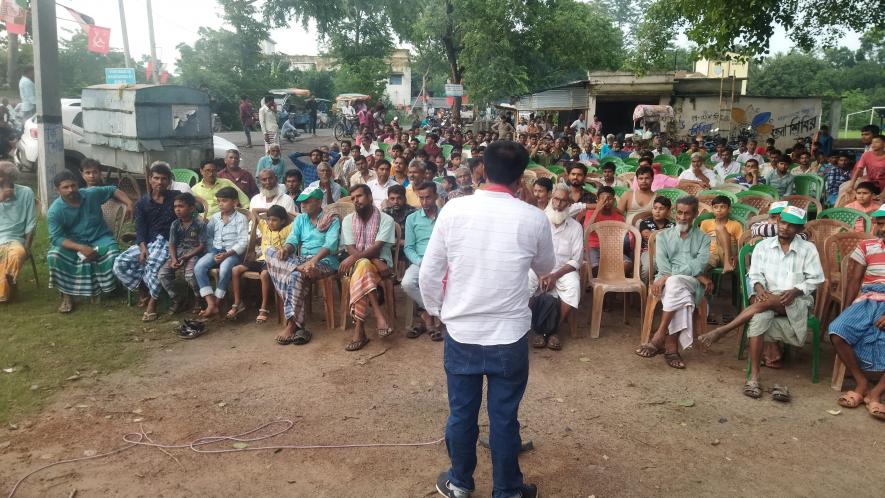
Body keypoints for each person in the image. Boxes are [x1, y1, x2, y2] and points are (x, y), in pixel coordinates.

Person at [420, 140, 552, 498]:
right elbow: (545, 268)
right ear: (522, 177)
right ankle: (507, 490)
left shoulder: (454, 210)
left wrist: (438, 312)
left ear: (482, 171)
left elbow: (429, 272)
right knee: (504, 417)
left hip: (462, 332)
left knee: (462, 414)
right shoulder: (534, 217)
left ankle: (460, 483)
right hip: (509, 336)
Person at [698, 206, 824, 399]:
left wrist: (795, 290)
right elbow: (754, 274)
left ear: (800, 229)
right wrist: (759, 289)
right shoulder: (763, 247)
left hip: (797, 300)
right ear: (778, 221)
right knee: (759, 318)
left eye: (792, 226)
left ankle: (723, 330)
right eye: (783, 223)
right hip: (768, 296)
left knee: (764, 305)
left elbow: (815, 279)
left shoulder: (808, 249)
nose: (785, 228)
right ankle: (754, 377)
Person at [634, 196, 713, 369]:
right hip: (670, 282)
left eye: (687, 214)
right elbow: (663, 266)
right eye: (680, 212)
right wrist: (694, 273)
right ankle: (671, 348)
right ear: (675, 213)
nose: (683, 217)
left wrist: (678, 275)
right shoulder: (662, 237)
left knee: (674, 281)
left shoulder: (704, 239)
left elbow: (700, 265)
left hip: (690, 283)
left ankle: (659, 336)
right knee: (676, 286)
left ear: (695, 215)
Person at [826, 206, 885, 419]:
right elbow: (854, 280)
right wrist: (848, 308)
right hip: (867, 299)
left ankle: (877, 393)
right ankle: (862, 382)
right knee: (838, 330)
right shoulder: (867, 245)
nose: (881, 227)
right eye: (879, 223)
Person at [47, 171, 133, 313]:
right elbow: (56, 238)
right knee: (54, 256)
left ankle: (110, 288)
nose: (71, 190)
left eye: (73, 185)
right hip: (73, 243)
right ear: (58, 190)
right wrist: (80, 247)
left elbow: (112, 190)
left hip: (100, 237)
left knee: (113, 254)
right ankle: (67, 295)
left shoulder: (90, 194)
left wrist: (129, 203)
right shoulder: (55, 211)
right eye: (65, 187)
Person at [266, 186, 341, 345]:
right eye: (301, 202)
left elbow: (331, 245)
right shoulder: (300, 219)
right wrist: (286, 249)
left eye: (307, 202)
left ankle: (293, 324)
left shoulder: (331, 219)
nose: (303, 205)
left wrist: (313, 261)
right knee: (270, 251)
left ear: (319, 201)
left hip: (324, 262)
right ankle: (296, 268)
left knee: (295, 275)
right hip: (301, 261)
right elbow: (293, 240)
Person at [113, 163, 181, 321]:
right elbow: (140, 229)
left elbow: (193, 204)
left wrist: (199, 202)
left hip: (168, 241)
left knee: (153, 263)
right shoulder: (143, 203)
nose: (160, 182)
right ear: (150, 180)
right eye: (156, 178)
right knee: (120, 263)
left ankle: (153, 302)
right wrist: (143, 248)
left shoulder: (175, 197)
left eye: (164, 179)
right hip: (148, 241)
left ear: (169, 181)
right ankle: (142, 288)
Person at [338, 184, 396, 351]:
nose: (356, 200)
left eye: (360, 196)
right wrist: (364, 259)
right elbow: (350, 247)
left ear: (370, 197)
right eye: (353, 198)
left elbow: (377, 247)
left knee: (361, 266)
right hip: (365, 265)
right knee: (363, 265)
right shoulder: (348, 220)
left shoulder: (386, 219)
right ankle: (378, 314)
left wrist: (358, 259)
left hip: (381, 265)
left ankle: (359, 330)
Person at [528, 183, 583, 351]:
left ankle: (552, 329)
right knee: (524, 282)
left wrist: (554, 276)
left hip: (562, 271)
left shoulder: (575, 227)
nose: (558, 205)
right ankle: (535, 327)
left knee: (573, 285)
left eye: (563, 201)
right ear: (551, 198)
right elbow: (528, 252)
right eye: (556, 199)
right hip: (537, 269)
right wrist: (541, 273)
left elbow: (576, 260)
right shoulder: (537, 220)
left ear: (569, 204)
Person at [228, 205, 293, 322]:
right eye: (269, 219)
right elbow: (254, 210)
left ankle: (264, 307)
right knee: (235, 270)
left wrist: (286, 213)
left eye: (274, 220)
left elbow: (300, 217)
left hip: (274, 262)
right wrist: (271, 211)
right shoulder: (265, 227)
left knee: (264, 274)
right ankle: (237, 302)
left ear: (283, 221)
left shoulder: (287, 230)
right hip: (260, 259)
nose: (270, 222)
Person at [193, 187, 250, 319]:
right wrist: (211, 250)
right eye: (219, 201)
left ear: (235, 202)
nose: (220, 204)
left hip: (233, 253)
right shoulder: (215, 218)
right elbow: (208, 236)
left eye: (224, 201)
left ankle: (217, 303)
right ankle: (210, 303)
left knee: (224, 268)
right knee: (199, 267)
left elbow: (243, 242)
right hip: (215, 250)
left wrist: (227, 254)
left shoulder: (240, 218)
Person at [402, 182, 443, 341]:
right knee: (407, 283)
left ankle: (426, 316)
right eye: (421, 198)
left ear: (435, 197)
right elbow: (409, 248)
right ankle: (431, 314)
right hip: (421, 261)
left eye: (428, 198)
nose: (424, 202)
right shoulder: (412, 219)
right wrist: (420, 262)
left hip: (442, 262)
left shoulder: (445, 215)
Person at [158, 192, 206, 315]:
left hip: (194, 253)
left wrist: (187, 256)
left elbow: (201, 245)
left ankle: (198, 299)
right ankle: (177, 299)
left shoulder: (199, 223)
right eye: (175, 207)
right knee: (163, 274)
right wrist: (174, 259)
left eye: (181, 206)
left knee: (190, 275)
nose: (177, 209)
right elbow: (172, 244)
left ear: (191, 208)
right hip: (179, 253)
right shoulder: (175, 224)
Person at [0, 161, 36, 302]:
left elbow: (31, 223)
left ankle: (5, 292)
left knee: (17, 254)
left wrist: (27, 247)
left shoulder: (26, 192)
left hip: (15, 239)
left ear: (11, 178)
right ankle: (8, 288)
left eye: (1, 176)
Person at [584, 186, 629, 276]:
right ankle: (604, 282)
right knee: (595, 267)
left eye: (609, 199)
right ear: (597, 200)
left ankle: (610, 280)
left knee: (627, 263)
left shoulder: (618, 216)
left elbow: (620, 237)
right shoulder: (591, 212)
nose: (606, 202)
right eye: (603, 199)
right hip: (593, 247)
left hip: (611, 248)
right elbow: (587, 230)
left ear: (614, 200)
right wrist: (597, 209)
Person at [699, 195, 742, 273]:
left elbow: (741, 244)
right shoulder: (705, 223)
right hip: (712, 254)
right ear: (712, 209)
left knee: (720, 228)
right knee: (701, 266)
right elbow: (701, 242)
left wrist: (737, 257)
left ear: (729, 209)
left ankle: (727, 263)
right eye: (716, 207)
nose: (719, 210)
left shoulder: (736, 225)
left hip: (728, 255)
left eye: (723, 207)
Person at [638, 196, 675, 284]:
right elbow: (648, 236)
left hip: (668, 253)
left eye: (661, 209)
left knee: (675, 269)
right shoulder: (645, 223)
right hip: (649, 252)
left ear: (668, 211)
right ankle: (645, 292)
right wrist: (665, 234)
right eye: (655, 208)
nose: (657, 211)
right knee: (647, 270)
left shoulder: (672, 225)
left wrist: (656, 234)